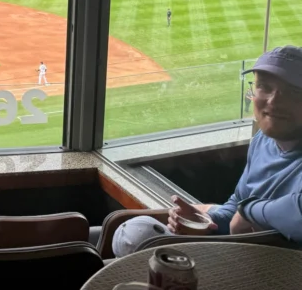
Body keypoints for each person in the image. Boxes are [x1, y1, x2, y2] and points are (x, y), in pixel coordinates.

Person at [112, 46, 302, 256]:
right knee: (131, 231)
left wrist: (249, 212)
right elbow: (236, 205)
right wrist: (206, 221)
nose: (273, 101)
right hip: (244, 255)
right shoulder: (262, 141)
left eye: (293, 92)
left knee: (140, 238)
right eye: (264, 87)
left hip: (278, 271)